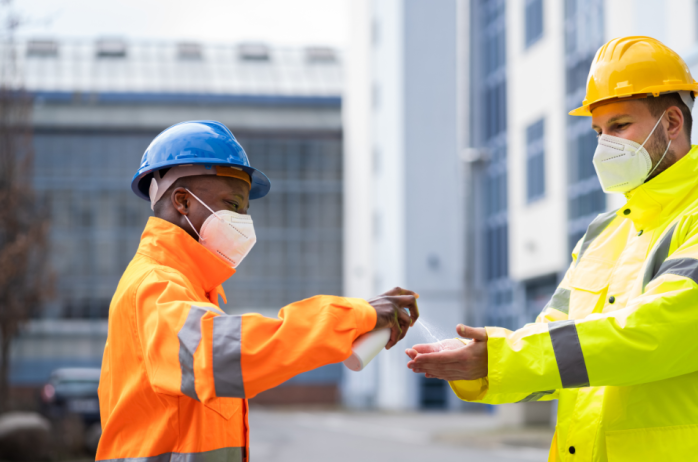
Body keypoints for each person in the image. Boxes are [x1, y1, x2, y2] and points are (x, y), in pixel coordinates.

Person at [406, 36, 698, 461]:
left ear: (672, 122)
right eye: (598, 131)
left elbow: (655, 334)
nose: (604, 145)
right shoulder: (602, 234)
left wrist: (505, 355)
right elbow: (553, 352)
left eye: (619, 126)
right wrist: (481, 364)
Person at [96, 120, 419, 461]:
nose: (243, 221)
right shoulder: (154, 286)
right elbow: (222, 356)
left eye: (245, 210)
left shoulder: (193, 291)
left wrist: (354, 327)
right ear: (182, 201)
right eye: (233, 205)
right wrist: (353, 317)